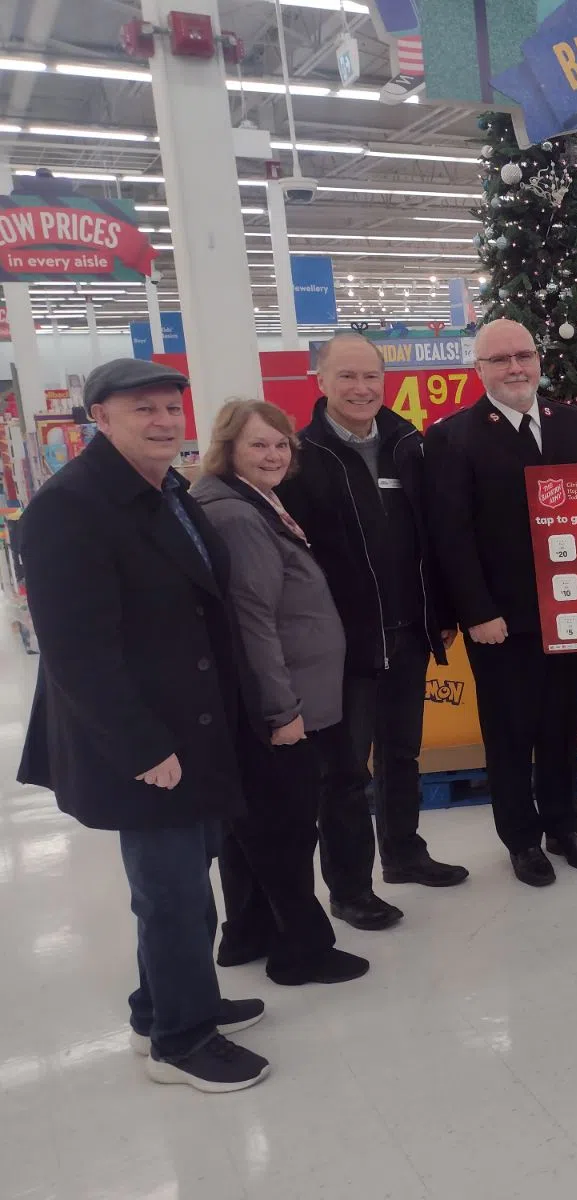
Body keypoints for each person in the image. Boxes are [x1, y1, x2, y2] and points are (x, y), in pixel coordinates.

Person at [17, 359, 269, 1092]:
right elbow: (76, 651)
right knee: (171, 891)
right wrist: (142, 746)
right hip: (143, 739)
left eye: (170, 407)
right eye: (142, 410)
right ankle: (181, 1041)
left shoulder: (168, 489)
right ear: (99, 416)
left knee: (187, 876)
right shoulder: (71, 507)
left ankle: (158, 1005)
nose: (163, 421)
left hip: (193, 724)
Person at [277, 333, 467, 936]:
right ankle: (351, 887)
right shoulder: (301, 455)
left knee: (403, 752)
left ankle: (405, 854)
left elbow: (434, 533)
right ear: (321, 382)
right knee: (344, 771)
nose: (361, 389)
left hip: (408, 630)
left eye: (370, 377)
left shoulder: (408, 444)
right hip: (344, 644)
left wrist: (442, 607)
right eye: (347, 377)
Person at [191, 401, 371, 985]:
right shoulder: (238, 516)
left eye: (280, 445)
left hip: (291, 696)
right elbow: (253, 620)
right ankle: (304, 952)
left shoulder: (253, 502)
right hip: (285, 705)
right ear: (228, 450)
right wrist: (281, 710)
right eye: (258, 445)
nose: (273, 455)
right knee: (286, 829)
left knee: (251, 828)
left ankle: (246, 934)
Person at [426, 318, 577, 887]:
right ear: (478, 369)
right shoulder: (453, 437)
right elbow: (449, 536)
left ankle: (564, 825)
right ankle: (522, 839)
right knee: (508, 732)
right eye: (500, 359)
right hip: (500, 620)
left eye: (523, 355)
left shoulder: (572, 424)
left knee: (561, 721)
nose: (515, 368)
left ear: (538, 359)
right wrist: (476, 612)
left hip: (571, 610)